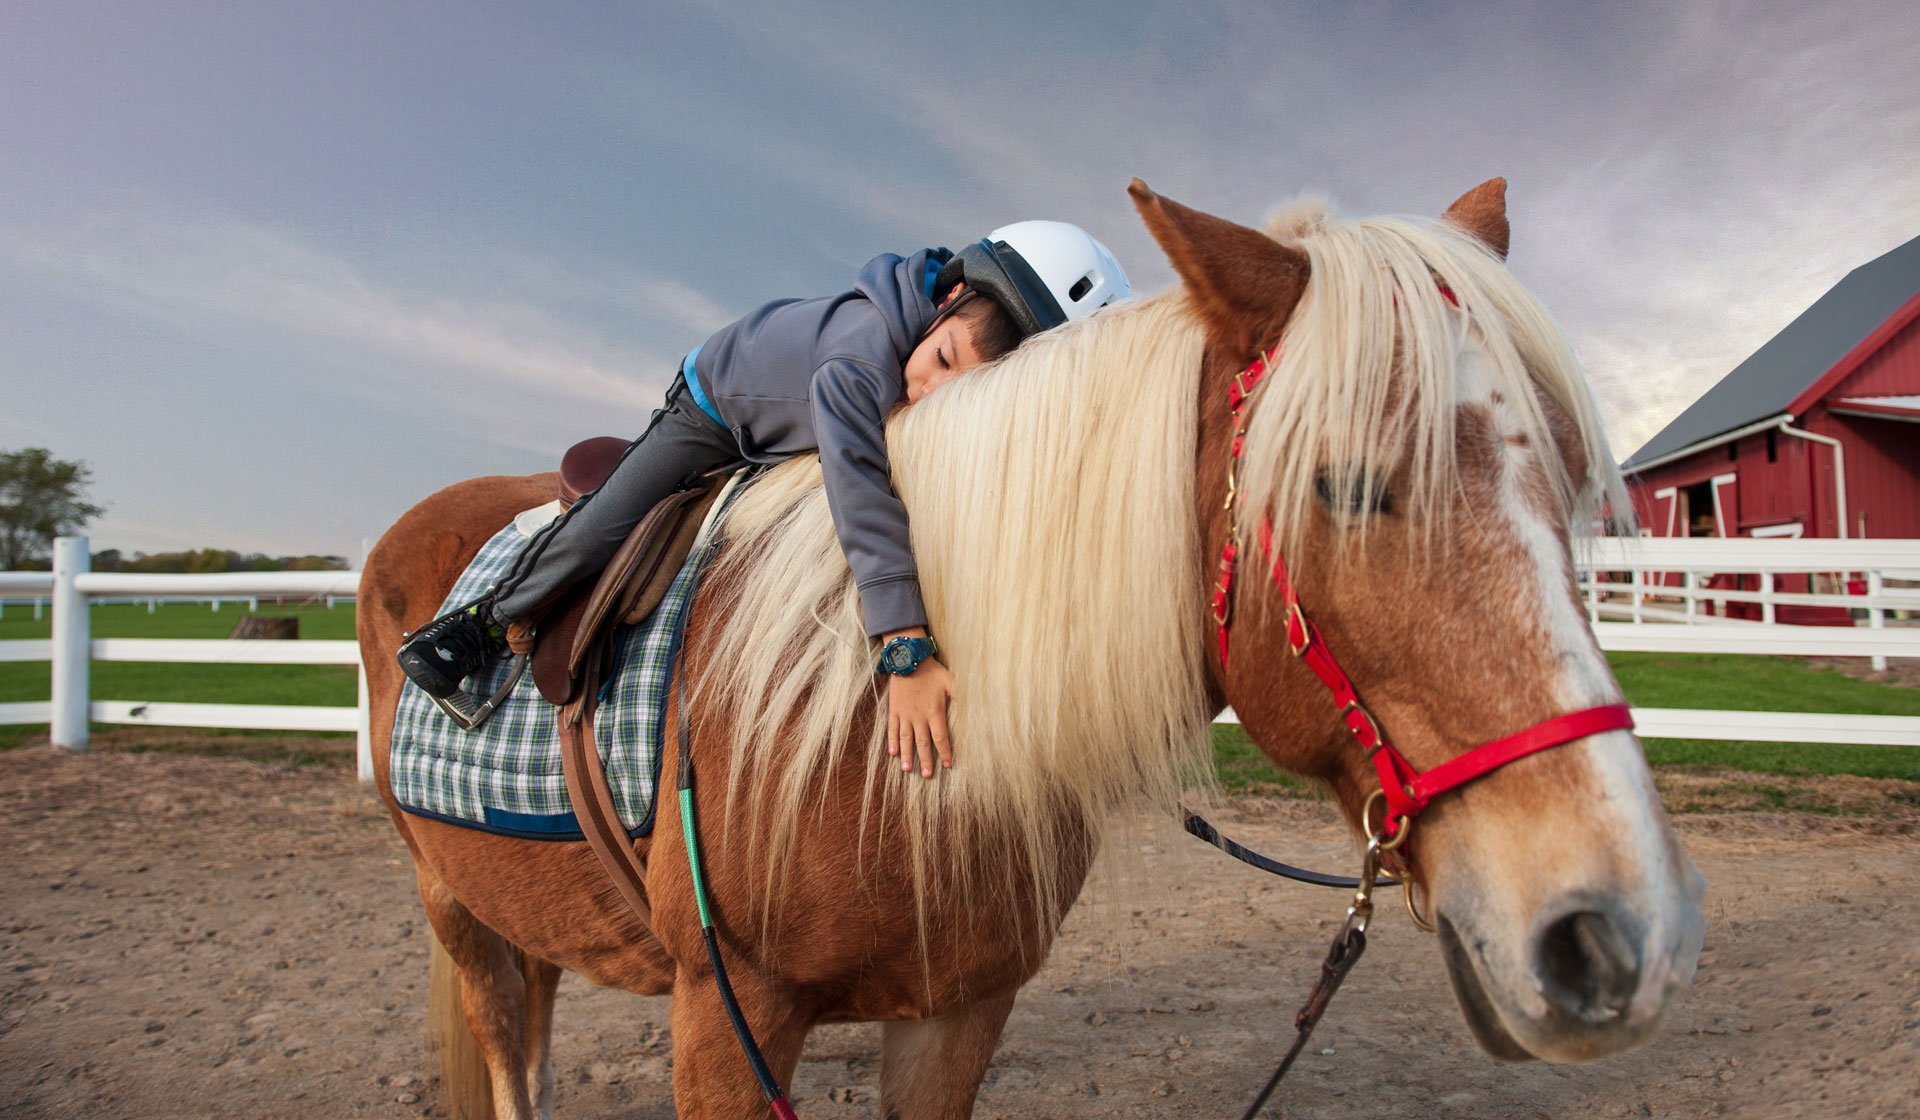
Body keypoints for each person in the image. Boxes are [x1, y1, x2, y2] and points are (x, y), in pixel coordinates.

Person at [397, 222, 1130, 778]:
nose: (928, 394)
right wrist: (904, 648)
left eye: (962, 392)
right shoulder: (861, 356)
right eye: (941, 360)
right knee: (607, 524)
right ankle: (480, 625)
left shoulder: (923, 357)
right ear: (948, 298)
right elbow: (858, 486)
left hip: (789, 410)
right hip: (715, 408)